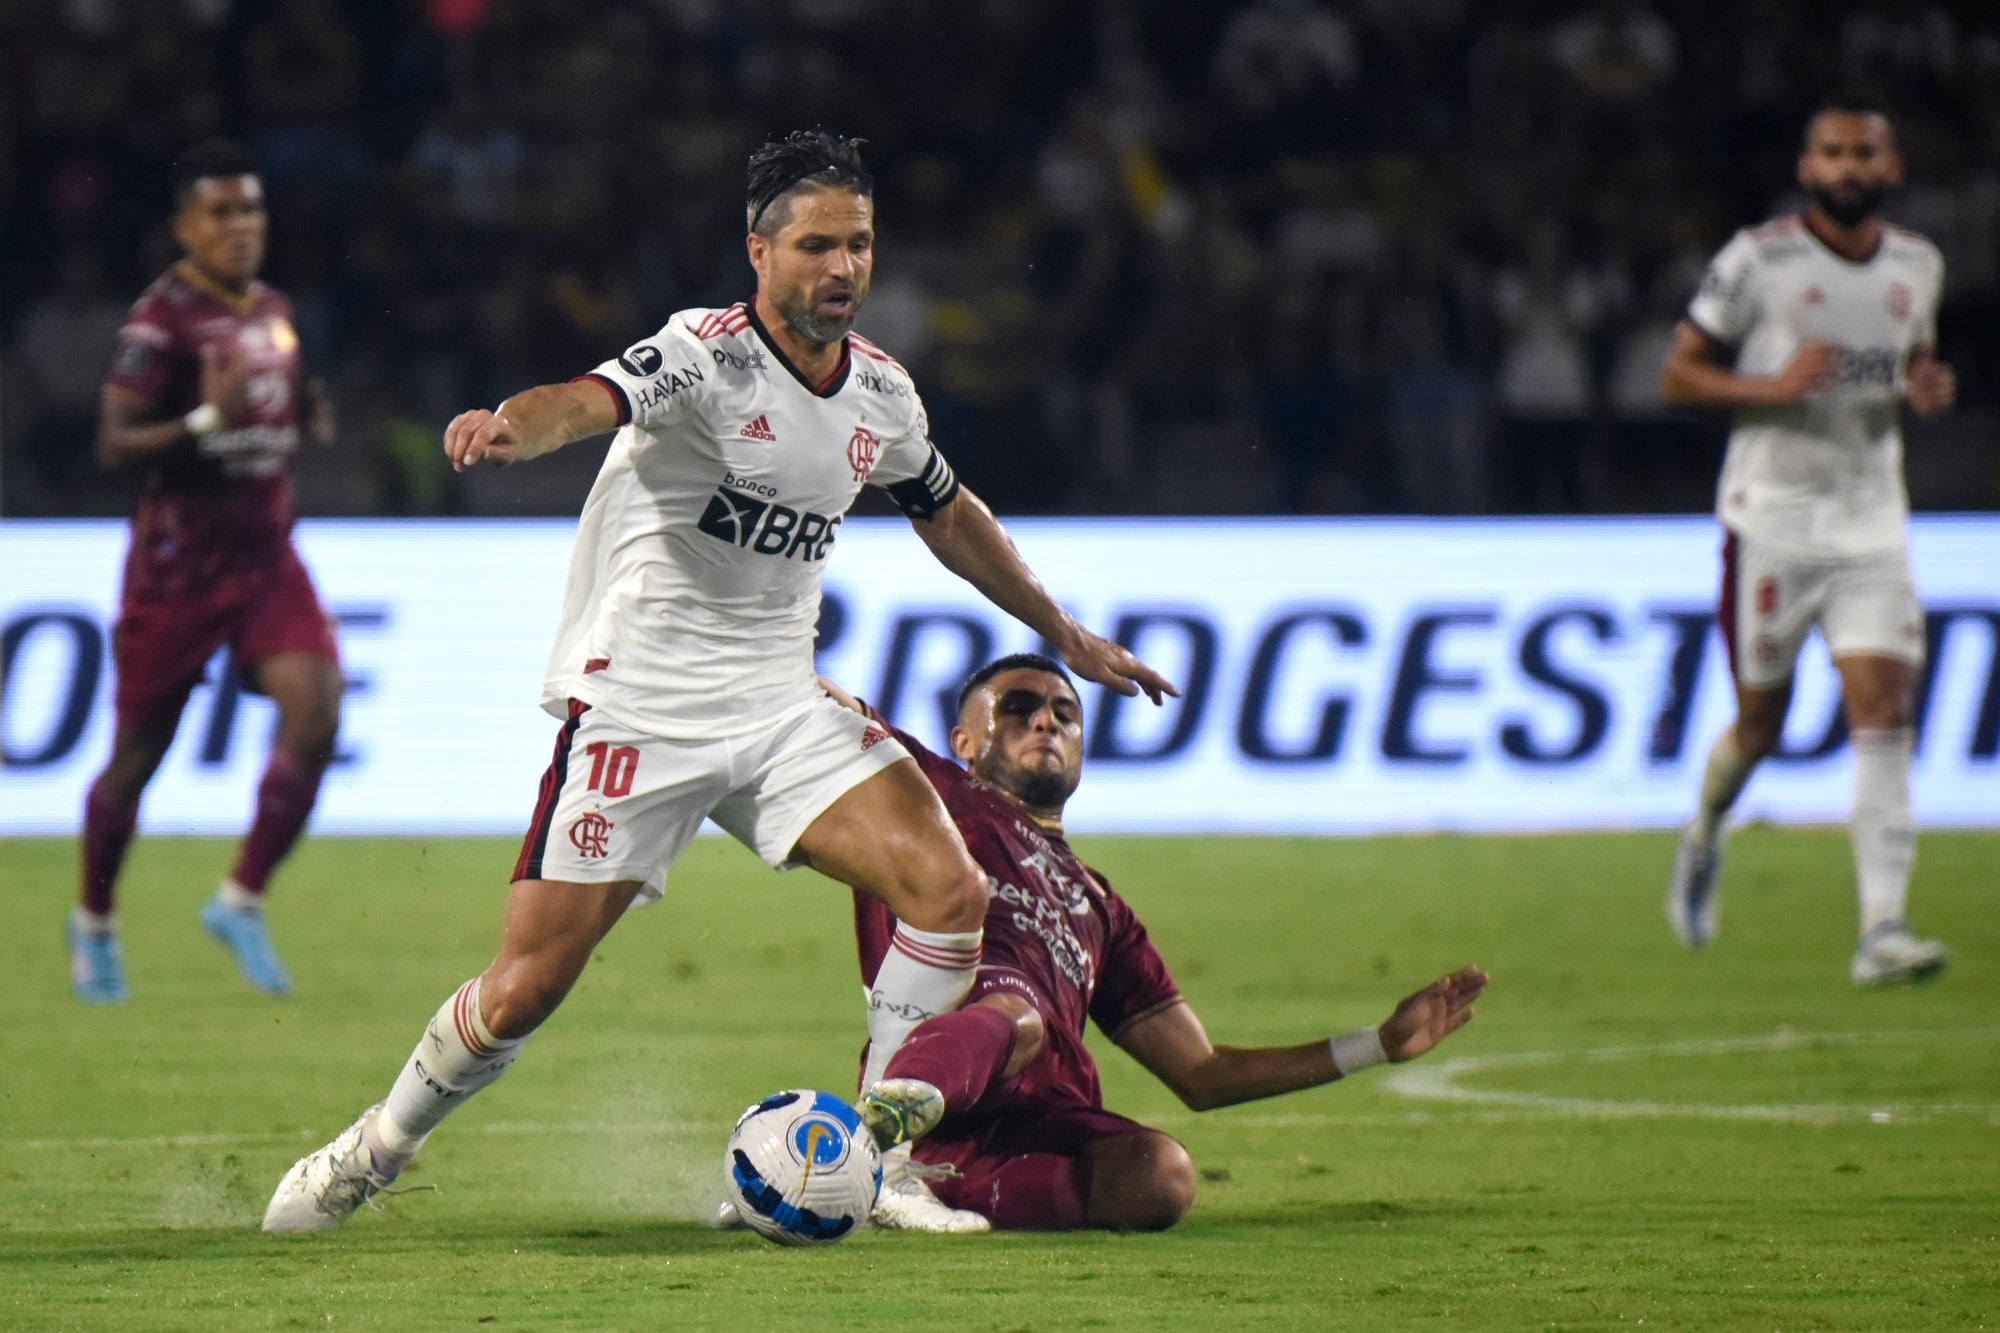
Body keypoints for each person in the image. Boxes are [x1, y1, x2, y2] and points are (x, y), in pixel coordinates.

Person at [261, 130, 1176, 1232]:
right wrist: (511, 427)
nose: (841, 268)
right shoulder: (705, 353)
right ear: (759, 251)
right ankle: (374, 1146)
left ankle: (883, 1163)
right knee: (524, 987)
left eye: (859, 245)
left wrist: (1062, 629)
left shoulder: (880, 392)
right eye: (815, 246)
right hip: (644, 706)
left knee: (950, 891)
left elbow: (947, 512)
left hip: (781, 701)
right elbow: (583, 397)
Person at [822, 654, 1487, 1232]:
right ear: (964, 740)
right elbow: (827, 704)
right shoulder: (931, 791)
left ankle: (926, 1189)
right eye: (1018, 707)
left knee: (1161, 1176)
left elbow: (1200, 1072)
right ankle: (874, 1145)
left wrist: (1377, 1043)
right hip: (945, 1076)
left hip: (1040, 1121)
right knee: (1017, 1014)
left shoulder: (1101, 904)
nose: (1046, 721)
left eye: (1065, 712)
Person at [1660, 94, 1956, 985]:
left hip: (1870, 522)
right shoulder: (1760, 259)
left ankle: (1882, 928)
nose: (1849, 167)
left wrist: (1926, 386)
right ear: (1807, 168)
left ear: (1891, 168)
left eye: (1865, 153)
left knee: (1884, 708)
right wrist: (1773, 386)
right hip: (1771, 524)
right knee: (1761, 726)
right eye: (1833, 153)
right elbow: (1677, 374)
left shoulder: (1919, 264)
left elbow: (1910, 364)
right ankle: (1705, 832)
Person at [68, 139, 342, 1004]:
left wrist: (307, 410)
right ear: (185, 225)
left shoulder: (272, 307)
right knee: (137, 760)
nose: (240, 226)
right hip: (178, 569)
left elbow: (275, 408)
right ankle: (95, 921)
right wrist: (200, 419)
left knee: (319, 707)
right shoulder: (159, 323)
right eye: (221, 212)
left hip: (266, 557)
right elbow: (113, 443)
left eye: (251, 209)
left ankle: (240, 897)